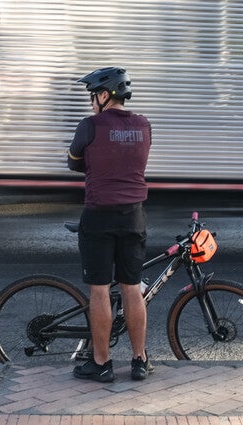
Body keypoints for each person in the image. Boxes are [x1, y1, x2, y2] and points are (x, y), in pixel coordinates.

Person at [67, 66, 153, 383]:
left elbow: (73, 162)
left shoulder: (89, 126)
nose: (91, 103)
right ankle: (139, 361)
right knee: (132, 289)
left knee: (100, 290)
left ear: (104, 95)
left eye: (93, 96)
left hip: (99, 215)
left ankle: (101, 363)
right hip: (133, 215)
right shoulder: (144, 125)